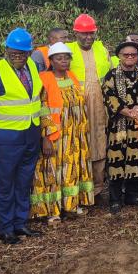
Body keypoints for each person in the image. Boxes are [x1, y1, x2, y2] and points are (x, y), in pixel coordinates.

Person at [0, 28, 43, 245]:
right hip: (7, 139)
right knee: (6, 183)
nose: (18, 57)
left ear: (28, 53)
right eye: (14, 53)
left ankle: (20, 222)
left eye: (22, 53)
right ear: (6, 50)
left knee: (24, 181)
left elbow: (35, 99)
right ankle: (5, 227)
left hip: (31, 134)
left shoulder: (32, 66)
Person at [30, 43, 93, 223]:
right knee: (52, 173)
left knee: (72, 170)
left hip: (75, 135)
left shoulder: (72, 77)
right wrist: (46, 137)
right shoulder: (44, 79)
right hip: (56, 136)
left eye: (66, 58)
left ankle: (71, 205)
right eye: (59, 58)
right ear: (50, 61)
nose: (64, 61)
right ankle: (52, 211)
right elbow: (42, 109)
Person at [103, 41, 138, 214]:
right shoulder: (111, 76)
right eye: (126, 55)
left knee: (137, 159)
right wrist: (128, 112)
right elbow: (109, 98)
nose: (130, 57)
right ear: (119, 56)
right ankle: (115, 199)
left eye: (133, 55)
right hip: (119, 126)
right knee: (117, 161)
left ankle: (132, 195)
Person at [66, 13, 113, 200]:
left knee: (99, 146)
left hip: (101, 108)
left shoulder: (102, 50)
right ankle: (77, 189)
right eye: (83, 34)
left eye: (90, 34)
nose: (87, 38)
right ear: (75, 33)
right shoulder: (66, 51)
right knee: (77, 146)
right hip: (76, 109)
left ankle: (98, 188)